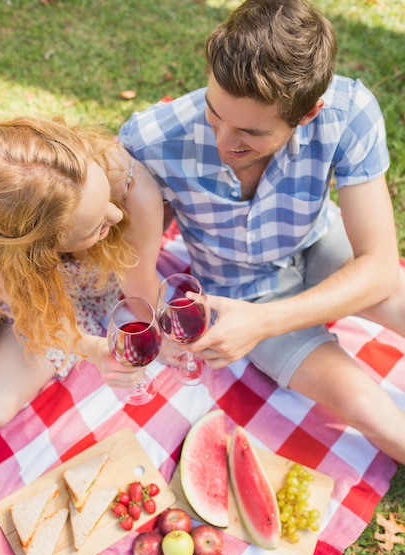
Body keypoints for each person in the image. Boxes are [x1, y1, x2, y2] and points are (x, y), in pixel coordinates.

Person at [119, 0, 405, 464]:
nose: (223, 142)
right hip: (241, 293)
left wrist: (265, 324)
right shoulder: (150, 141)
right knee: (373, 415)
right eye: (214, 114)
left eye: (249, 133)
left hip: (321, 247)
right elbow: (133, 264)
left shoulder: (349, 112)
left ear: (307, 114)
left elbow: (379, 270)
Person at [0, 116, 164, 428]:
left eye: (106, 201)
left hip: (63, 303)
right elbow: (29, 304)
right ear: (40, 250)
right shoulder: (3, 241)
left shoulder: (133, 193)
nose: (117, 213)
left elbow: (141, 290)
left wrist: (93, 347)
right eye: (97, 228)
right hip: (15, 286)